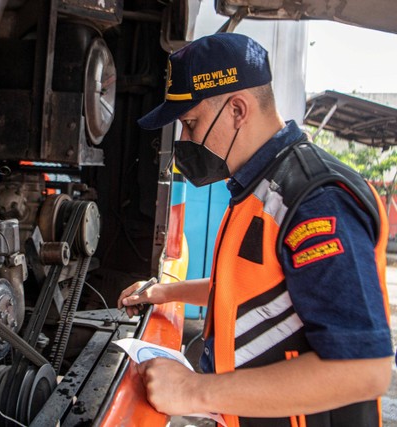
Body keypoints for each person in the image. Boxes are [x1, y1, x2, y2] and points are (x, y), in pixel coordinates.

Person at [117, 32, 393, 426]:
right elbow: (255, 293)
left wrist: (194, 390)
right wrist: (163, 292)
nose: (185, 140)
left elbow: (364, 371)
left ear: (237, 110)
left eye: (191, 123)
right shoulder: (259, 186)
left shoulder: (315, 200)